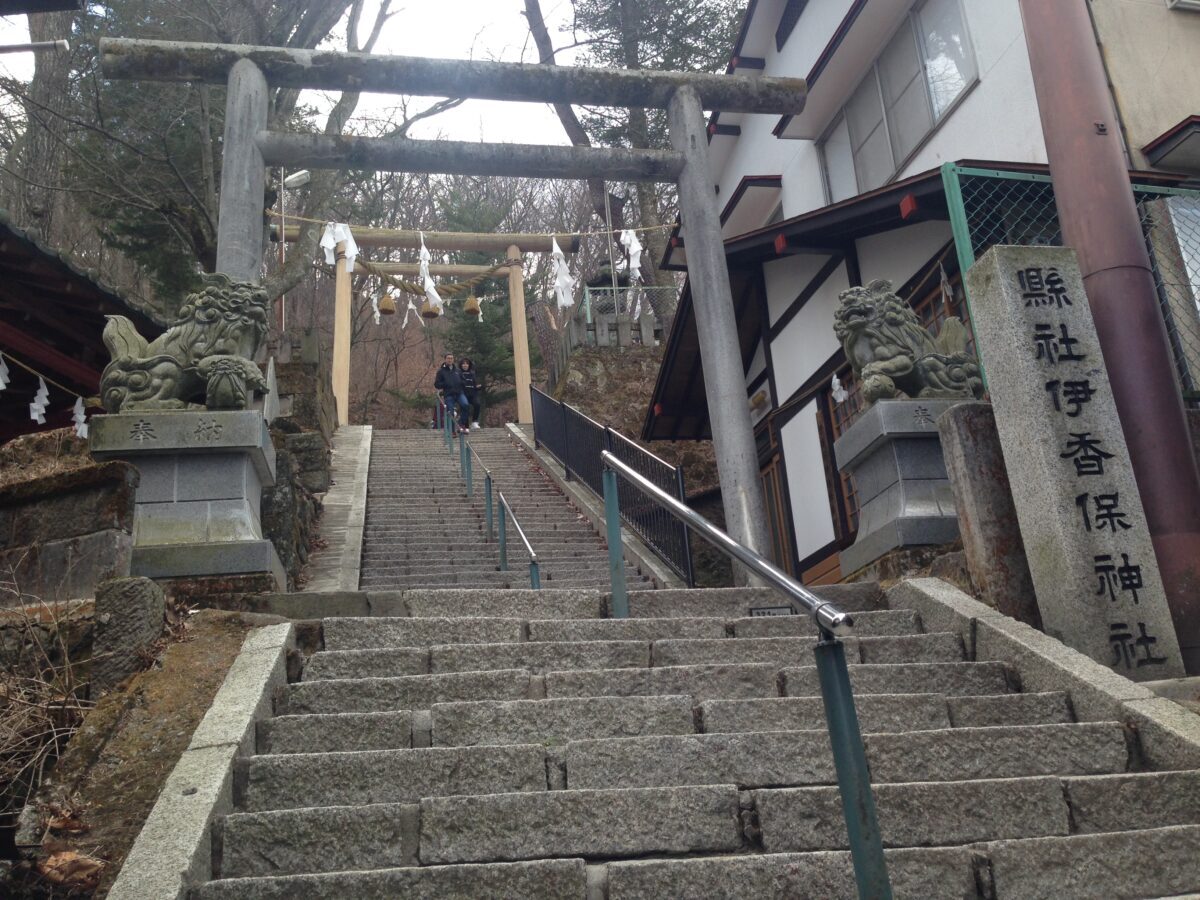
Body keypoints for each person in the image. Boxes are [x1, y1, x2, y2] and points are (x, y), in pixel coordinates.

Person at [434, 352, 468, 432]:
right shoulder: (441, 371)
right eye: (448, 358)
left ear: (453, 359)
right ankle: (452, 430)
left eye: (451, 358)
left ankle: (460, 424)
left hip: (459, 393)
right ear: (445, 359)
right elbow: (436, 384)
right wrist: (445, 383)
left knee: (465, 405)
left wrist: (462, 383)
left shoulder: (458, 371)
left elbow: (463, 380)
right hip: (449, 394)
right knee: (450, 411)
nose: (450, 360)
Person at [459, 357, 482, 430]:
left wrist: (478, 386)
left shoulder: (472, 373)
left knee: (477, 404)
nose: (465, 365)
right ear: (461, 365)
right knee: (465, 408)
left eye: (466, 364)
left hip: (473, 393)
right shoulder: (459, 373)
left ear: (469, 365)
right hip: (463, 394)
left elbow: (475, 383)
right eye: (463, 364)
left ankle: (474, 421)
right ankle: (466, 425)